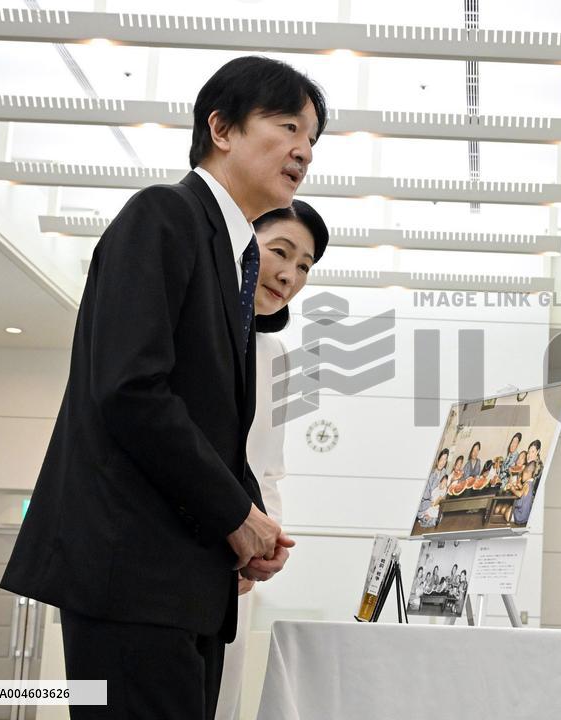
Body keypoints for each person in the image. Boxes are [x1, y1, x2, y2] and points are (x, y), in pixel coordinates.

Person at [0, 56, 327, 719]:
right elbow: (130, 390)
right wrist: (234, 515)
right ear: (222, 128)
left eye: (313, 139)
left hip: (181, 584)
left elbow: (208, 420)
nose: (304, 151)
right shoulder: (164, 215)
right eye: (289, 126)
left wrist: (249, 523)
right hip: (132, 576)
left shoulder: (231, 256)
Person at [216, 200, 329, 720]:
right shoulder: (201, 331)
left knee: (222, 700)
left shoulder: (276, 355)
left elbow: (268, 470)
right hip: (187, 551)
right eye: (280, 252)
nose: (289, 276)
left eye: (305, 266)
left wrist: (266, 543)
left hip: (238, 571)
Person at [417, 449, 451, 525]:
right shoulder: (431, 475)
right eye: (441, 459)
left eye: (445, 460)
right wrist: (431, 503)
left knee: (442, 517)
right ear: (438, 460)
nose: (442, 462)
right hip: (428, 503)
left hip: (438, 503)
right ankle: (425, 517)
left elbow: (445, 488)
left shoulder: (444, 472)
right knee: (431, 517)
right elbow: (425, 496)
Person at [511, 461, 538, 525]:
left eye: (522, 474)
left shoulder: (526, 484)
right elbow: (525, 491)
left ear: (527, 473)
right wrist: (520, 485)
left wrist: (512, 489)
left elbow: (520, 494)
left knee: (506, 511)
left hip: (520, 516)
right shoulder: (530, 483)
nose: (521, 476)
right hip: (526, 516)